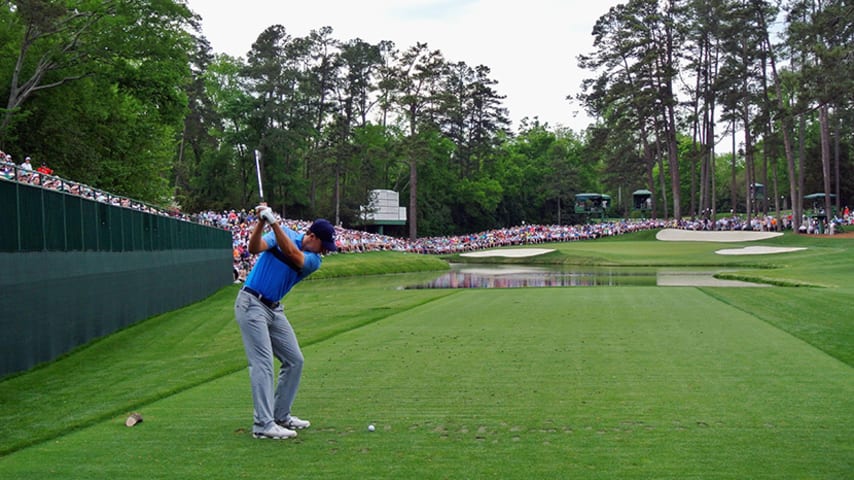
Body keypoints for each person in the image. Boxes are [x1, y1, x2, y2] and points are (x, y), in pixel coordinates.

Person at [234, 204, 338, 440]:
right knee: (262, 363)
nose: (326, 252)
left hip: (274, 309)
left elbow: (292, 254)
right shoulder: (286, 234)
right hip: (251, 303)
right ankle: (263, 424)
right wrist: (262, 222)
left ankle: (280, 416)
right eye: (324, 246)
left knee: (295, 360)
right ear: (311, 236)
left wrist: (273, 222)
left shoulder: (313, 260)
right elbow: (253, 247)